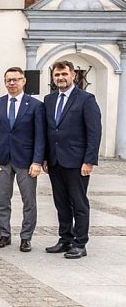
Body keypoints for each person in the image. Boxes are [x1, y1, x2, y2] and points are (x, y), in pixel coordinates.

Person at [43, 60, 101, 259]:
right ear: (53, 77)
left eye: (64, 74)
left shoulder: (86, 99)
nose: (60, 78)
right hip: (55, 161)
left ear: (73, 75)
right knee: (61, 202)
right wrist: (44, 158)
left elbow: (94, 132)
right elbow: (48, 131)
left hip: (77, 161)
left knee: (79, 203)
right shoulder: (49, 100)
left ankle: (80, 243)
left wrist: (89, 160)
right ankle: (65, 238)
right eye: (57, 75)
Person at [0, 67, 45, 252]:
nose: (12, 83)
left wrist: (37, 161)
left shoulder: (35, 105)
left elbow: (40, 136)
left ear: (24, 81)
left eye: (16, 79)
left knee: (29, 201)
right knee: (3, 200)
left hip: (26, 161)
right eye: (9, 80)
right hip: (2, 160)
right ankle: (4, 235)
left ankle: (26, 237)